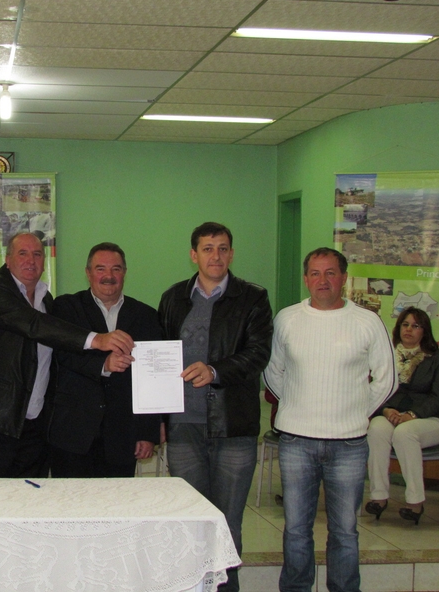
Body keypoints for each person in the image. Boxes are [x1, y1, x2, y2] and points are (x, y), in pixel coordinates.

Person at [264, 247, 397, 592]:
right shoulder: (287, 319)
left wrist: (356, 411)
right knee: (296, 530)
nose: (322, 280)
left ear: (344, 278)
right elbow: (272, 372)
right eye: (315, 273)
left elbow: (387, 379)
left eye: (330, 273)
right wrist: (296, 404)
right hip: (296, 441)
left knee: (345, 531)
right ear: (306, 278)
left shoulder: (367, 322)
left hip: (349, 444)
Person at [0, 232, 135, 478]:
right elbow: (34, 325)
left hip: (37, 427)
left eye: (37, 254)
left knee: (34, 497)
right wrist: (97, 339)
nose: (30, 260)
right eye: (22, 253)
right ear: (8, 260)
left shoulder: (46, 299)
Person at [158, 222, 273, 592]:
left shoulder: (253, 298)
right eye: (208, 248)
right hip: (183, 429)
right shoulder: (173, 298)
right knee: (190, 524)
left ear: (232, 254)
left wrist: (214, 371)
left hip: (233, 428)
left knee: (226, 525)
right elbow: (160, 358)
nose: (216, 256)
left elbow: (258, 354)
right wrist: (157, 416)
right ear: (194, 255)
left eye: (223, 248)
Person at [49, 242, 164, 477]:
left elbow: (152, 379)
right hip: (72, 435)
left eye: (116, 269)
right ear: (88, 273)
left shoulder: (146, 316)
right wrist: (103, 365)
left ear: (124, 273)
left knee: (118, 499)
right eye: (100, 268)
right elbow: (61, 355)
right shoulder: (65, 308)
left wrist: (147, 433)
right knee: (69, 499)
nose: (108, 276)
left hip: (123, 437)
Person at [365, 307, 439, 525]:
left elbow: (437, 397)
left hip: (428, 418)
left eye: (415, 326)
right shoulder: (387, 355)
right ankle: (378, 497)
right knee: (376, 428)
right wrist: (385, 409)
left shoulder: (434, 358)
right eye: (405, 325)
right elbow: (375, 389)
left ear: (424, 331)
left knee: (405, 433)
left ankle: (415, 502)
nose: (409, 329)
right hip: (392, 413)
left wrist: (413, 414)